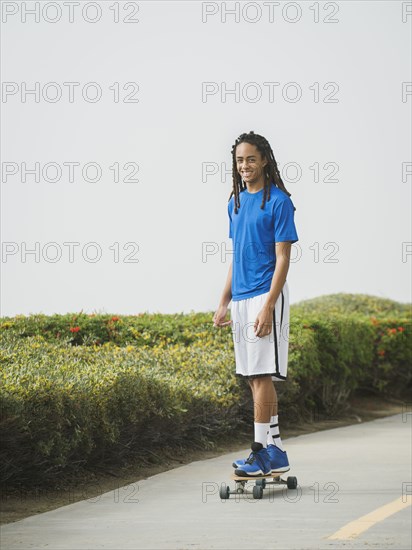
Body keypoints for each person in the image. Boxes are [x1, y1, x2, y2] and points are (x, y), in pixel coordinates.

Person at [213, 131, 299, 477]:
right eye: (239, 160)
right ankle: (274, 450)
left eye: (250, 158)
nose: (245, 165)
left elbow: (283, 258)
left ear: (264, 160)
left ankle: (261, 451)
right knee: (251, 377)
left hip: (266, 295)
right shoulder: (234, 203)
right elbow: (238, 256)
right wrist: (223, 301)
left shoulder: (278, 202)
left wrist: (268, 306)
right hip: (242, 299)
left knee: (262, 374)